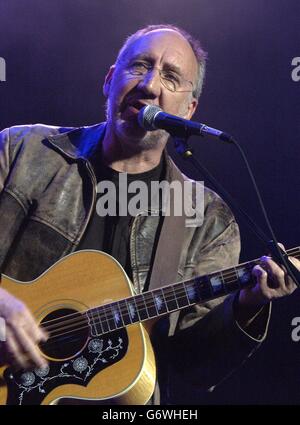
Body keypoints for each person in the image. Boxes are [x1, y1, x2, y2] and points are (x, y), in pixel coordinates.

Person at [0, 24, 298, 405]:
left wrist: (247, 306)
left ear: (189, 110)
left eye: (171, 77)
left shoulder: (207, 221)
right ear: (110, 80)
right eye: (139, 66)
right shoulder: (24, 150)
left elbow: (196, 368)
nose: (150, 84)